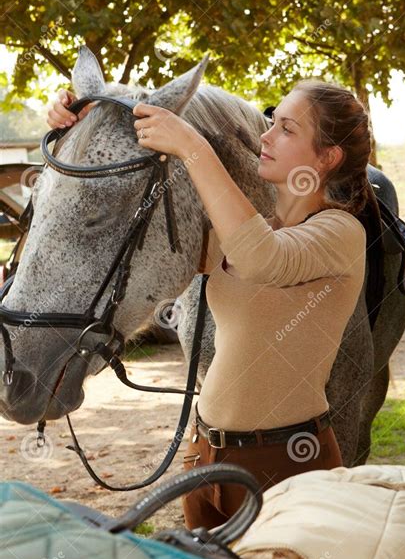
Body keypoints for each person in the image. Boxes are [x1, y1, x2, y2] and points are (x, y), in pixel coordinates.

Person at [46, 79, 371, 531]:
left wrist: (194, 147)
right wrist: (89, 115)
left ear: (327, 157)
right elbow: (156, 250)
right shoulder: (246, 228)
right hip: (205, 453)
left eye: (287, 130)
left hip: (287, 459)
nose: (266, 135)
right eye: (272, 122)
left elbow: (262, 258)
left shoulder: (340, 233)